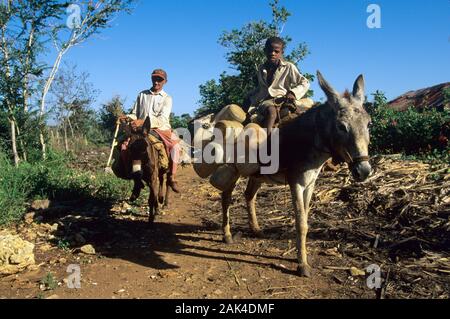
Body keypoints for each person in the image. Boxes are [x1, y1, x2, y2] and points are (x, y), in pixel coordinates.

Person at [121, 69, 181, 193]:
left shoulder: (167, 98)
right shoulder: (142, 94)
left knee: (176, 147)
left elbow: (162, 118)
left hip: (160, 129)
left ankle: (171, 177)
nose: (156, 82)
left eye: (160, 79)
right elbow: (134, 113)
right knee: (124, 147)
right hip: (140, 129)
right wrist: (128, 117)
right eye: (155, 78)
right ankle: (135, 179)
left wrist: (142, 122)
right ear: (151, 79)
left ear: (165, 82)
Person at [244, 37, 311, 134]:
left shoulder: (288, 67)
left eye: (276, 51)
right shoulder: (261, 68)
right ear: (265, 51)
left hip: (281, 98)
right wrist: (248, 95)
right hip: (265, 101)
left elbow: (305, 82)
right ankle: (267, 140)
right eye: (270, 50)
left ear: (281, 52)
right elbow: (261, 87)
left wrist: (293, 92)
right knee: (272, 112)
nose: (273, 53)